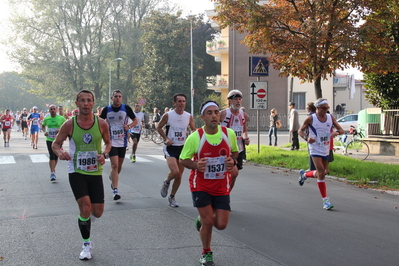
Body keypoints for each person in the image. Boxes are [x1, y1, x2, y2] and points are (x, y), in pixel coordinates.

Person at [52, 90, 111, 260]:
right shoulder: (69, 124)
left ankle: (85, 220)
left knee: (97, 212)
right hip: (76, 170)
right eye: (82, 100)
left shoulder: (101, 124)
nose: (86, 103)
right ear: (77, 104)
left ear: (93, 103)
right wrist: (60, 152)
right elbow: (55, 144)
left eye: (89, 100)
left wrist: (104, 154)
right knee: (85, 207)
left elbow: (108, 143)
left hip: (95, 171)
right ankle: (86, 244)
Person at [179, 100, 239, 266]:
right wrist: (195, 165)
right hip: (201, 185)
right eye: (210, 113)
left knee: (221, 224)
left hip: (222, 186)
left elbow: (235, 152)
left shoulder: (229, 134)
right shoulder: (195, 137)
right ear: (202, 117)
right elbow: (183, 159)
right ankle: (206, 252)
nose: (214, 115)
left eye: (216, 112)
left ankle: (201, 219)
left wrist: (232, 162)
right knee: (208, 222)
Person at [298, 98, 344, 210]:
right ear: (318, 108)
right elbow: (300, 131)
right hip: (314, 148)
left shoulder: (330, 117)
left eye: (327, 108)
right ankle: (325, 201)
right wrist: (307, 138)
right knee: (321, 173)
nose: (326, 110)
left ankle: (304, 175)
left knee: (323, 172)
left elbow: (341, 130)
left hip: (325, 148)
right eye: (324, 108)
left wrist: (336, 132)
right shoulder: (311, 119)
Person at [158, 93, 196, 207]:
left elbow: (194, 129)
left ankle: (172, 197)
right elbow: (158, 127)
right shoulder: (168, 115)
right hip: (170, 147)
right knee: (175, 172)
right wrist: (166, 138)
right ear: (174, 103)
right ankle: (167, 182)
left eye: (183, 101)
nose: (181, 103)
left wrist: (192, 136)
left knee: (179, 176)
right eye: (179, 101)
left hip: (183, 148)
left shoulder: (188, 116)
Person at [100, 90, 137, 200]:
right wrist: (104, 129)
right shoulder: (107, 109)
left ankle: (113, 178)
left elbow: (135, 120)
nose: (118, 98)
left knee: (119, 165)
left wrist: (129, 126)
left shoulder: (126, 108)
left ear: (122, 98)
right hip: (111, 141)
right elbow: (101, 121)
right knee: (114, 165)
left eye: (120, 96)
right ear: (112, 98)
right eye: (115, 96)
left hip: (122, 141)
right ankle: (115, 190)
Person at [220, 90, 250, 191]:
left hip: (238, 149)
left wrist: (246, 138)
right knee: (233, 172)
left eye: (239, 99)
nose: (238, 101)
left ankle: (226, 194)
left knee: (234, 176)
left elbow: (244, 131)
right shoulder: (223, 114)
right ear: (229, 101)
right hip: (225, 150)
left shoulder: (243, 115)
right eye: (235, 99)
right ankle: (222, 194)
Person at [42, 104, 66, 181]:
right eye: (51, 109)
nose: (52, 110)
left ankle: (53, 169)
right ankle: (52, 173)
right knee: (51, 155)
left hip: (58, 139)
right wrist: (45, 131)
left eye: (54, 109)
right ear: (49, 110)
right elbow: (43, 126)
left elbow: (66, 126)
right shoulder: (47, 118)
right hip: (49, 139)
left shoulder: (61, 118)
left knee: (56, 156)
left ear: (56, 110)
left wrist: (60, 130)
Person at [306, 102, 317, 171]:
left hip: (310, 136)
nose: (306, 109)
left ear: (310, 108)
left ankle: (312, 167)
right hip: (316, 136)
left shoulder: (310, 116)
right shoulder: (317, 116)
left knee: (311, 152)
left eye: (307, 107)